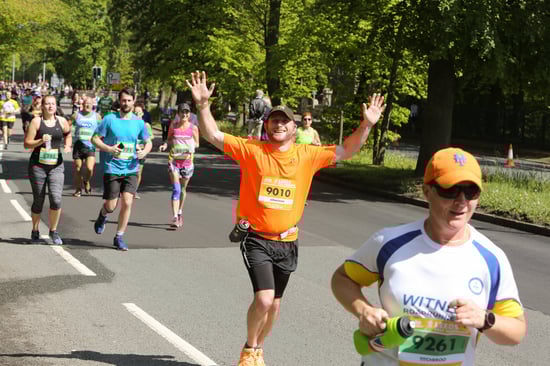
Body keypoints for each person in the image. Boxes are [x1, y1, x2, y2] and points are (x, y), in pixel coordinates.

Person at [186, 71, 385, 366]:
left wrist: (366, 125)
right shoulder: (253, 150)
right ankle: (249, 348)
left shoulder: (308, 155)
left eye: (284, 121)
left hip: (288, 242)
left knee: (275, 306)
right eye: (274, 120)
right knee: (264, 299)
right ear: (267, 126)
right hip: (256, 238)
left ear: (294, 128)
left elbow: (348, 150)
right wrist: (203, 106)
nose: (279, 124)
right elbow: (214, 135)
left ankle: (257, 350)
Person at [331, 147, 526, 366]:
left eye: (471, 191)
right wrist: (364, 311)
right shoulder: (389, 243)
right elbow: (342, 279)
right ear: (426, 191)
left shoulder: (491, 258)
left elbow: (516, 332)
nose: (461, 201)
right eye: (450, 190)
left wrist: (485, 319)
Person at [91, 87, 152, 251]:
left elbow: (148, 142)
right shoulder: (110, 119)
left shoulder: (139, 123)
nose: (126, 103)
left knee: (127, 201)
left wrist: (144, 151)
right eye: (123, 100)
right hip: (112, 167)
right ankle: (103, 215)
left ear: (133, 101)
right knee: (111, 206)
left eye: (129, 100)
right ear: (119, 101)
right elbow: (95, 138)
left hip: (131, 168)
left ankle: (119, 236)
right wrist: (108, 149)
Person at [24, 95, 72, 245]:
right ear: (42, 106)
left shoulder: (62, 121)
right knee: (39, 200)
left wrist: (67, 145)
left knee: (56, 199)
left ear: (56, 106)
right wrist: (40, 141)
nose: (51, 106)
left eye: (53, 104)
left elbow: (68, 134)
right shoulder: (36, 121)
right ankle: (35, 230)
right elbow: (27, 144)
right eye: (48, 104)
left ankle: (53, 231)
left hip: (56, 166)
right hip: (38, 166)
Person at [159, 103, 199, 228]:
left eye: (187, 112)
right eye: (182, 112)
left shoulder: (193, 128)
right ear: (178, 114)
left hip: (187, 163)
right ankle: (175, 217)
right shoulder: (174, 126)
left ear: (190, 114)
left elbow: (197, 144)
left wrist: (190, 147)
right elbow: (169, 139)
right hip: (174, 162)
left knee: (182, 190)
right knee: (176, 189)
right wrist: (165, 145)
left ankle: (180, 212)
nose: (184, 114)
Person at [71, 96, 100, 197]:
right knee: (78, 168)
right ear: (82, 104)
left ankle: (86, 181)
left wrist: (99, 138)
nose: (87, 105)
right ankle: (78, 189)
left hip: (90, 146)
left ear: (93, 105)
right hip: (78, 145)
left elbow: (102, 129)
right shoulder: (76, 115)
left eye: (89, 103)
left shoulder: (97, 116)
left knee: (89, 168)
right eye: (85, 103)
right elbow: (68, 125)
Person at [133, 102, 153, 199]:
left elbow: (150, 138)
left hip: (141, 151)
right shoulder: (129, 124)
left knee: (138, 172)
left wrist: (144, 147)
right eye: (135, 112)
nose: (137, 114)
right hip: (129, 151)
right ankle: (125, 189)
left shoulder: (146, 125)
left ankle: (134, 191)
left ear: (142, 114)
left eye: (139, 112)